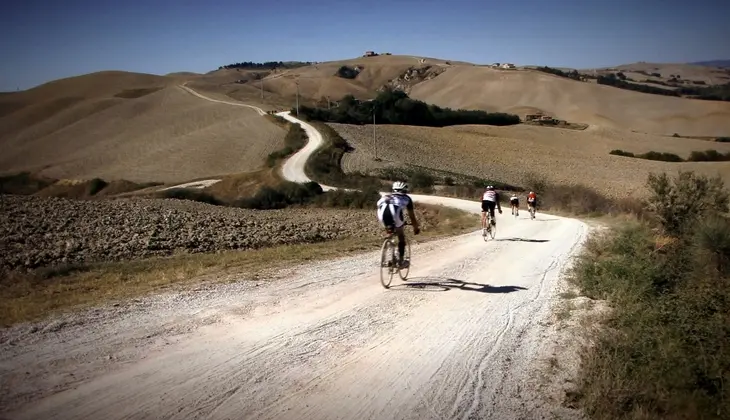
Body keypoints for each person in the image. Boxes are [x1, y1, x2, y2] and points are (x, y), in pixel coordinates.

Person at [377, 181, 421, 268]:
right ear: (405, 190)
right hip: (395, 213)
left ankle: (384, 256)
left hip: (381, 214)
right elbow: (411, 216)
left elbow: (378, 205)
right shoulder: (407, 198)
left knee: (389, 230)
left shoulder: (386, 196)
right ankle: (401, 261)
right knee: (401, 235)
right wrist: (415, 227)